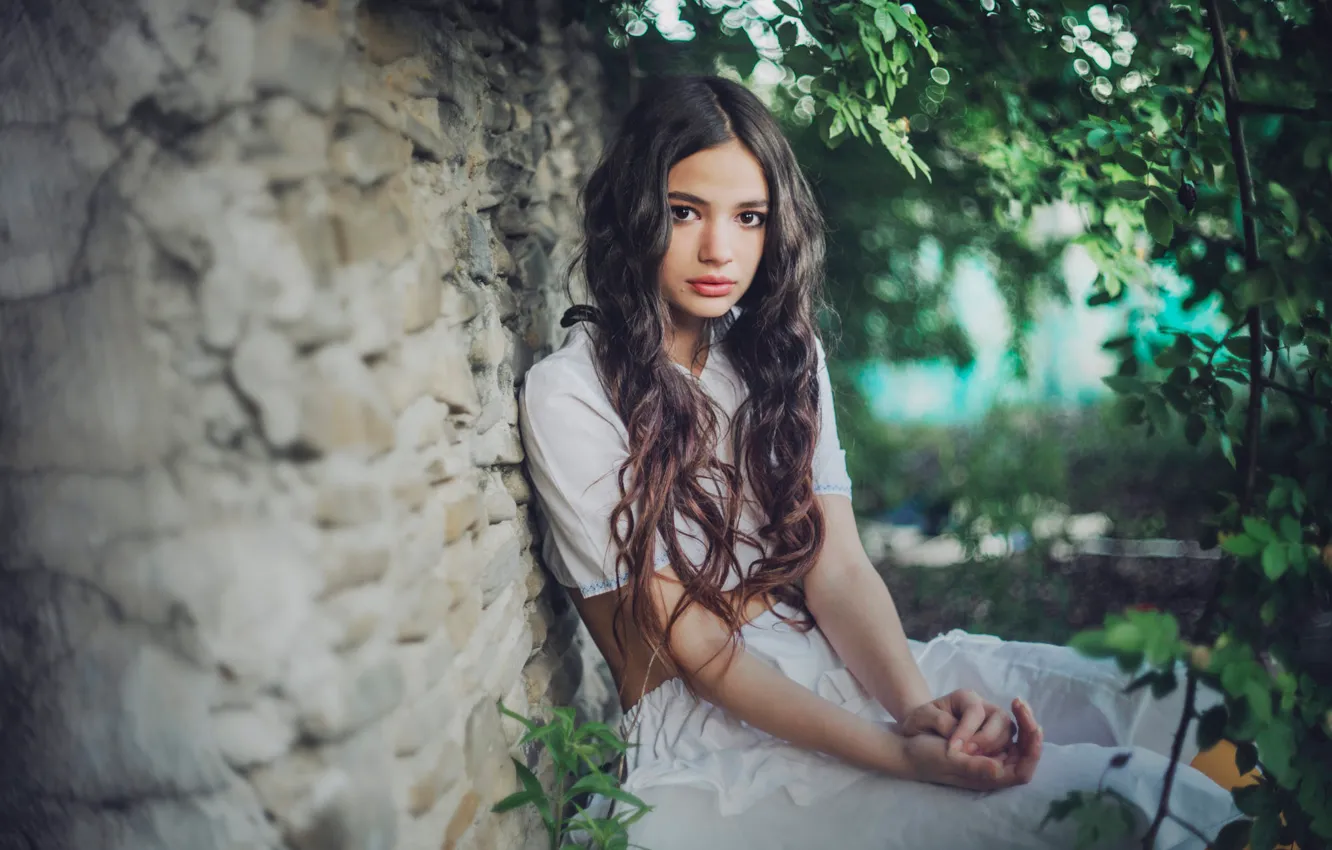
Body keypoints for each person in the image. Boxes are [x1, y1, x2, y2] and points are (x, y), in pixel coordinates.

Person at [517, 74, 1238, 849]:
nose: (720, 249)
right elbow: (696, 650)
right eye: (685, 211)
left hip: (836, 663)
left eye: (749, 217)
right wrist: (899, 755)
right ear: (635, 212)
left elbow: (838, 566)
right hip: (716, 746)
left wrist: (915, 708)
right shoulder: (572, 393)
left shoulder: (779, 355)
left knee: (1176, 705)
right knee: (1121, 798)